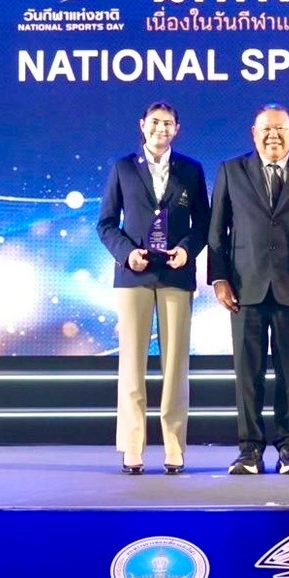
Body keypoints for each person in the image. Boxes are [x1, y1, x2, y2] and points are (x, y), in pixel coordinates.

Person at [208, 104, 289, 474]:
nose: (273, 135)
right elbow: (217, 233)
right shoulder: (231, 170)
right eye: (265, 129)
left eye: (280, 128)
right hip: (244, 289)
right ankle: (249, 450)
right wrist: (219, 279)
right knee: (247, 376)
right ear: (254, 133)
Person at [97, 101, 210, 475]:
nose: (161, 129)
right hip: (134, 276)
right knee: (132, 364)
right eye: (155, 122)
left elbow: (204, 224)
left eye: (168, 123)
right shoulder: (123, 168)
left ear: (177, 129)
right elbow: (106, 224)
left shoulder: (191, 169)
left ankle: (174, 447)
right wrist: (127, 254)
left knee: (176, 365)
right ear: (142, 125)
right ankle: (132, 447)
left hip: (176, 274)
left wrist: (186, 250)